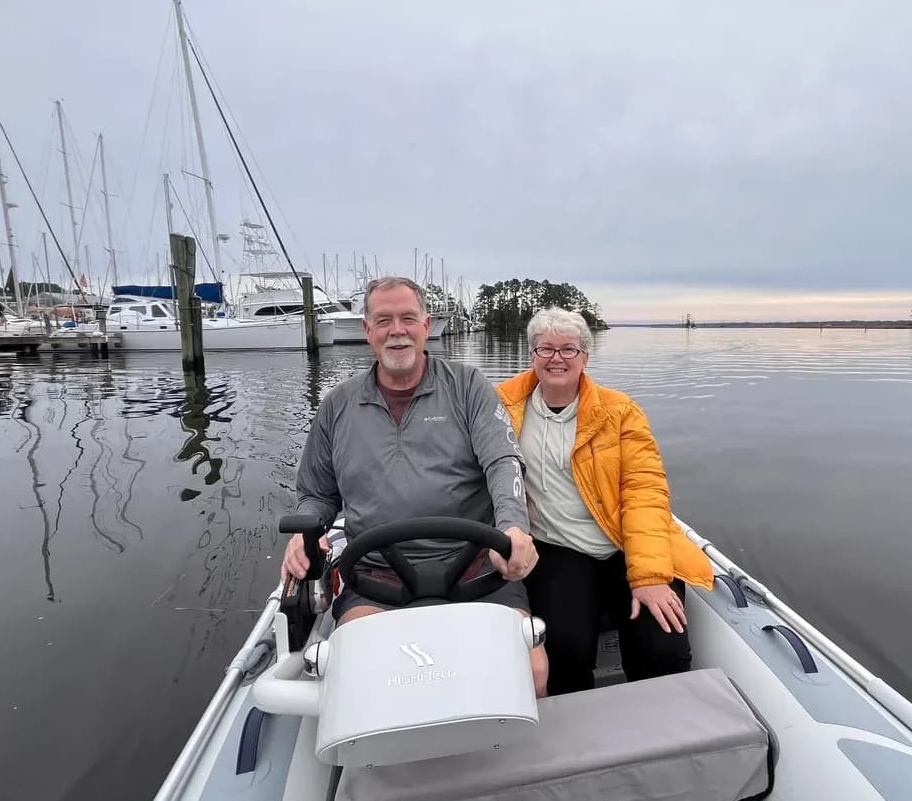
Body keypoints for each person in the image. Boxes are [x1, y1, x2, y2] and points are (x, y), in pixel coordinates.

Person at [282, 276, 548, 696]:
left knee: (530, 672)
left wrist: (514, 527)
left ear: (426, 325)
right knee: (357, 679)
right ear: (367, 330)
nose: (397, 330)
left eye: (408, 318)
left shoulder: (468, 387)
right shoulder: (336, 406)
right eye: (384, 320)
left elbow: (503, 461)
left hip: (476, 567)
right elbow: (317, 495)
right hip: (375, 574)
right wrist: (305, 531)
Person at [496, 307, 714, 696]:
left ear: (585, 357)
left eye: (568, 349)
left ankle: (659, 731)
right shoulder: (501, 405)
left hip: (624, 543)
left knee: (663, 647)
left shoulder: (620, 412)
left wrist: (648, 577)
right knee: (563, 649)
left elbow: (645, 491)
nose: (556, 358)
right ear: (531, 355)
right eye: (545, 349)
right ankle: (579, 741)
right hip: (557, 547)